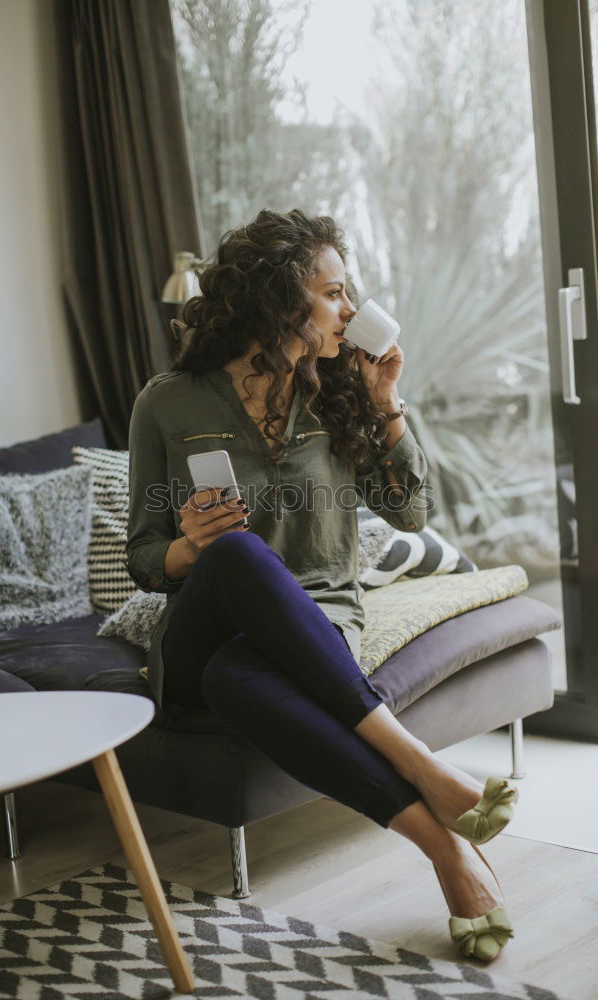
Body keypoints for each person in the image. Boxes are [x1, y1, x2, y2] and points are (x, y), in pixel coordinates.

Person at [127, 208, 518, 963]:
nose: (350, 309)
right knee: (234, 557)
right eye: (334, 293)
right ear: (280, 300)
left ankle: (445, 852)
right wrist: (189, 546)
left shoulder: (337, 392)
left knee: (238, 678)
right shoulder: (167, 402)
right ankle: (423, 765)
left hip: (314, 628)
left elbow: (410, 509)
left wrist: (386, 404)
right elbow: (143, 555)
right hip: (201, 624)